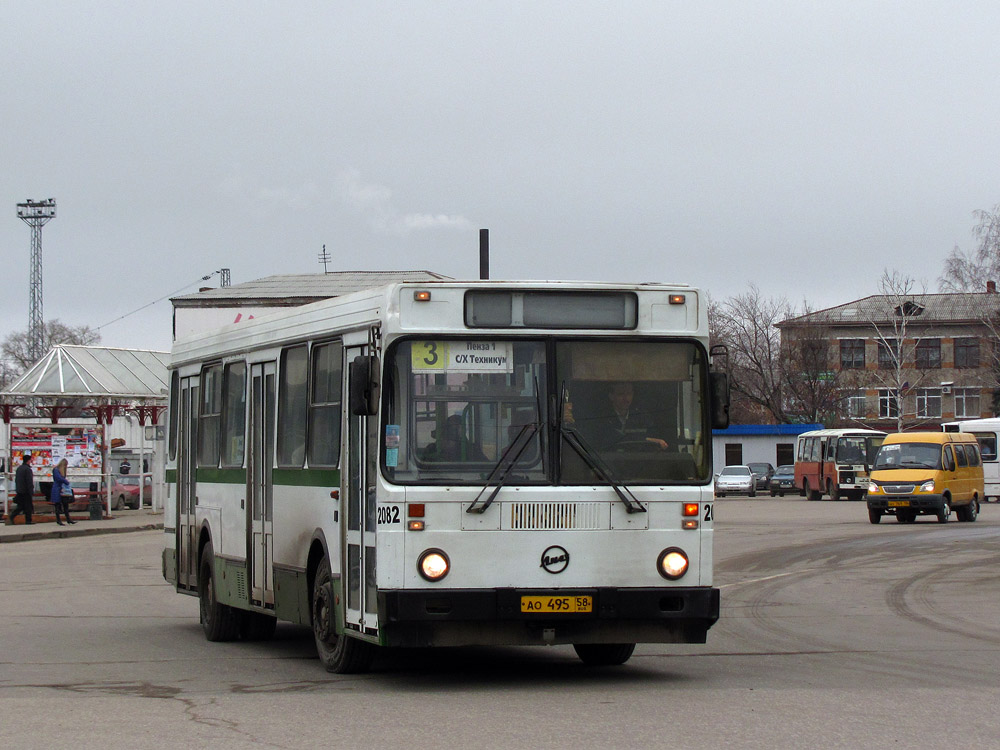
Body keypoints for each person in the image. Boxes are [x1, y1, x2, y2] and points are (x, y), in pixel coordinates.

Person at [584, 382, 670, 451]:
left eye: (629, 394)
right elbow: (612, 439)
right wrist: (649, 440)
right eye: (621, 394)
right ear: (611, 396)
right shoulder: (602, 418)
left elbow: (654, 436)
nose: (626, 399)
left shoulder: (642, 416)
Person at [8, 452, 35, 525]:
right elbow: (29, 481)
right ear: (28, 461)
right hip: (26, 491)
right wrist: (31, 491)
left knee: (21, 506)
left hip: (20, 490)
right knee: (27, 507)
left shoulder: (19, 468)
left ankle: (12, 517)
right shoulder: (28, 469)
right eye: (30, 460)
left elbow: (17, 480)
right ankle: (28, 520)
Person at [50, 458, 76, 526]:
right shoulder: (56, 470)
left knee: (65, 505)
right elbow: (58, 478)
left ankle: (68, 519)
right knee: (57, 505)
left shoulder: (59, 470)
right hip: (57, 489)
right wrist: (66, 482)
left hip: (62, 489)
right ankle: (59, 520)